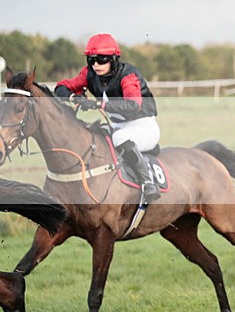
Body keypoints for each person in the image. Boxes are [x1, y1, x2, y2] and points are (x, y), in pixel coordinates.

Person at [54, 33, 161, 203]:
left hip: (143, 127)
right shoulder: (89, 74)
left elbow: (133, 106)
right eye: (91, 60)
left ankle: (148, 182)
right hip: (117, 126)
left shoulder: (128, 75)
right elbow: (60, 87)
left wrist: (98, 105)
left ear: (113, 59)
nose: (96, 65)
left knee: (120, 137)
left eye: (102, 60)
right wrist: (75, 97)